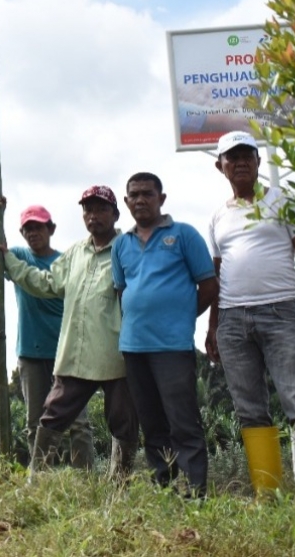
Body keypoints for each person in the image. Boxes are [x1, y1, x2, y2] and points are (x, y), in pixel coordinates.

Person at [206, 130, 295, 492]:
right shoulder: (217, 217)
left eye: (248, 154)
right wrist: (213, 325)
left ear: (260, 161)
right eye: (233, 157)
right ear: (221, 167)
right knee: (249, 410)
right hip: (232, 320)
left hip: (280, 313)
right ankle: (269, 494)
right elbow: (216, 274)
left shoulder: (284, 201)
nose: (242, 161)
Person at [0, 186, 139, 479]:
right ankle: (37, 480)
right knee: (52, 415)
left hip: (117, 353)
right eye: (88, 210)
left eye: (101, 209)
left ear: (115, 213)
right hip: (77, 352)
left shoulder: (129, 247)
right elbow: (47, 282)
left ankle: (118, 484)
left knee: (122, 421)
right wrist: (9, 261)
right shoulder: (76, 252)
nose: (93, 216)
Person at [111, 172, 218, 496]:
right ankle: (166, 490)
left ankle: (195, 494)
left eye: (147, 193)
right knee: (152, 424)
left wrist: (182, 316)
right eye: (134, 195)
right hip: (134, 347)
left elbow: (210, 285)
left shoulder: (184, 235)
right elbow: (121, 290)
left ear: (162, 198)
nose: (140, 200)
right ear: (127, 202)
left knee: (183, 421)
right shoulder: (121, 245)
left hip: (173, 346)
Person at [0, 195, 94, 470]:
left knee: (78, 423)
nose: (33, 233)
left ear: (51, 229)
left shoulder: (65, 262)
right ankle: (41, 478)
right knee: (36, 421)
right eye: (28, 229)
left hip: (67, 353)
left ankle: (85, 479)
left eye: (39, 227)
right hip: (31, 353)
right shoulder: (19, 257)